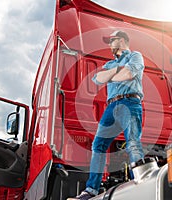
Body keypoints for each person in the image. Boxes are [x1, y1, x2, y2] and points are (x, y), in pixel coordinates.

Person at [67, 30, 145, 200]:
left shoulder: (136, 56)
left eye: (112, 40)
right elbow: (98, 79)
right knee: (98, 145)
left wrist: (114, 75)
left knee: (132, 141)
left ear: (123, 40)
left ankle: (141, 184)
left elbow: (129, 73)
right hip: (111, 107)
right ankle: (91, 191)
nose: (109, 44)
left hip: (129, 102)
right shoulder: (110, 64)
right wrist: (117, 70)